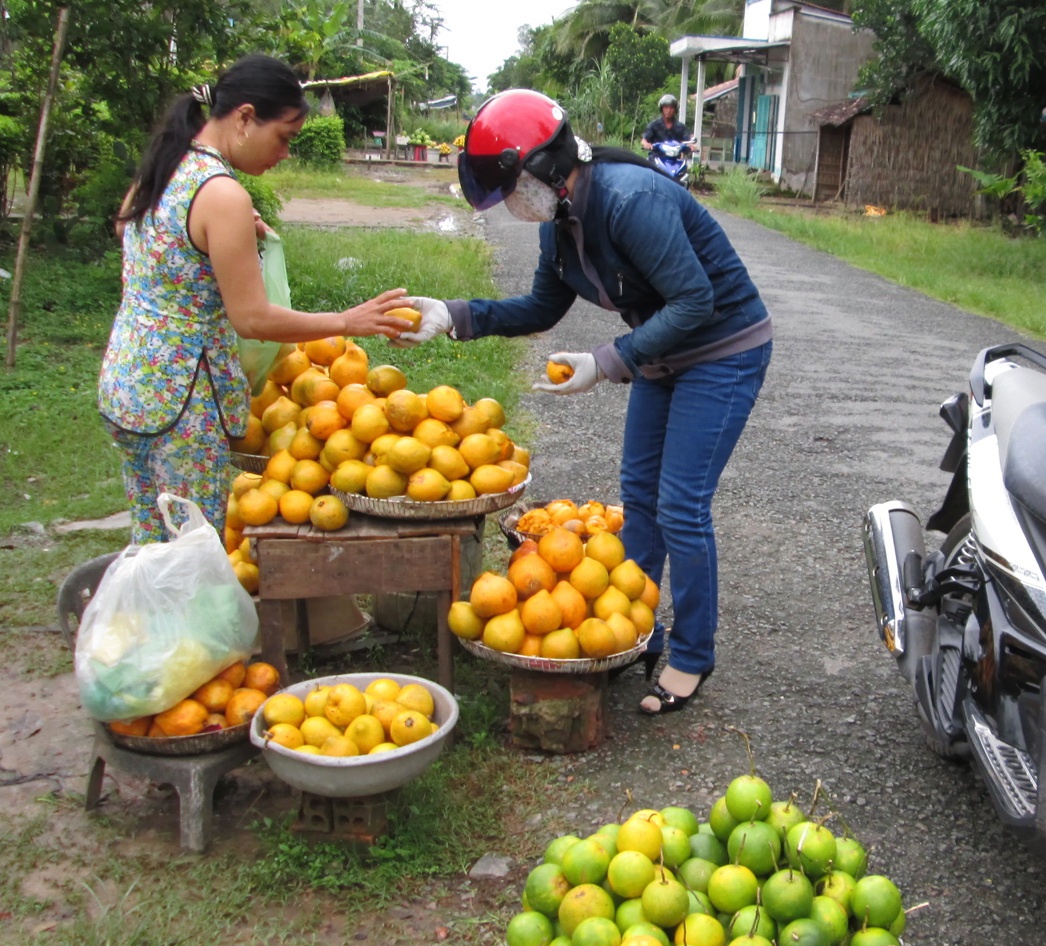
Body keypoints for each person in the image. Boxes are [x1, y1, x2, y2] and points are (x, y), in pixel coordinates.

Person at [401, 89, 772, 716]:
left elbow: (694, 302)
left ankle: (691, 654)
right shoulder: (562, 226)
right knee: (640, 493)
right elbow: (542, 309)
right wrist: (456, 315)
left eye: (514, 186)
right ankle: (633, 623)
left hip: (722, 350)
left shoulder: (630, 200)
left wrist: (605, 363)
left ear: (546, 166)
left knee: (681, 505)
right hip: (662, 353)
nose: (514, 204)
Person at [99, 53, 412, 545]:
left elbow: (130, 230)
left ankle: (142, 622)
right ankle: (183, 625)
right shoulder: (222, 193)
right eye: (284, 136)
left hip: (130, 384)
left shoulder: (167, 165)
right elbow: (252, 319)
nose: (285, 152)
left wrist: (216, 246)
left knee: (153, 539)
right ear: (245, 118)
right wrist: (347, 321)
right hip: (183, 400)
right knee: (191, 548)